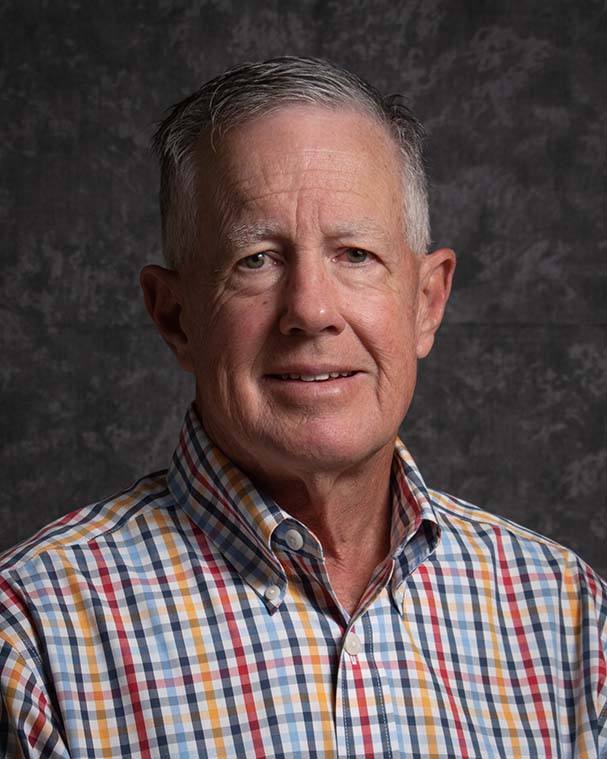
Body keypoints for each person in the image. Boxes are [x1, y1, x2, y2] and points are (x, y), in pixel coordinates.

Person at [1, 56, 605, 759]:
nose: (311, 310)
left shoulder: (567, 618)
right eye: (255, 259)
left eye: (355, 254)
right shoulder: (31, 638)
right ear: (175, 317)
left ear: (426, 302)